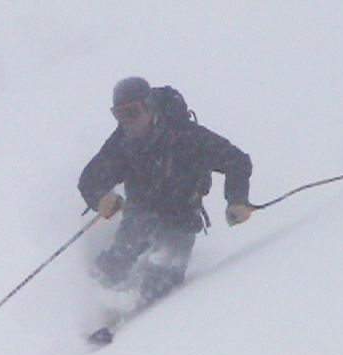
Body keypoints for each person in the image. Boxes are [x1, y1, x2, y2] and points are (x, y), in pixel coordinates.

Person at [78, 77, 253, 304]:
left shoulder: (186, 135)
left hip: (181, 218)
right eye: (119, 115)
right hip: (140, 214)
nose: (126, 121)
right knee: (116, 261)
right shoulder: (123, 143)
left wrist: (237, 199)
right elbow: (89, 180)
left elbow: (237, 161)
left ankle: (146, 311)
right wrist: (100, 199)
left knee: (162, 277)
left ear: (150, 106)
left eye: (132, 112)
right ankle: (91, 302)